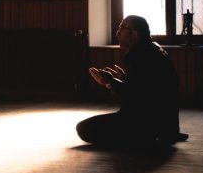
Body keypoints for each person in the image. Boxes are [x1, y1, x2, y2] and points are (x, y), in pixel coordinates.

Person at [77, 15, 189, 148]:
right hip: (165, 126)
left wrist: (110, 82)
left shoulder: (142, 57)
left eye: (122, 28)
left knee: (84, 128)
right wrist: (123, 78)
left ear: (134, 35)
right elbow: (144, 89)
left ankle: (140, 139)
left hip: (145, 125)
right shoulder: (153, 50)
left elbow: (133, 98)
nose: (117, 32)